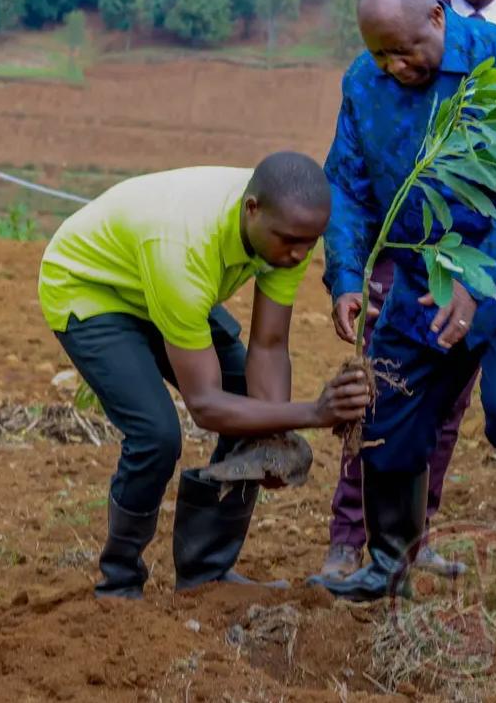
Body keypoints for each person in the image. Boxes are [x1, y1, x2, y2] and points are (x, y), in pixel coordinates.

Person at [309, 0, 496, 611]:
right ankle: (388, 562)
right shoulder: (364, 81)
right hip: (428, 264)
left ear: (437, 18)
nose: (395, 65)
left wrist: (476, 279)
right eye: (381, 52)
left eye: (405, 49)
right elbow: (346, 183)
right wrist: (347, 276)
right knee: (389, 411)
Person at [37, 153, 371, 599]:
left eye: (309, 244)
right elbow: (206, 405)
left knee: (249, 403)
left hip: (157, 283)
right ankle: (118, 582)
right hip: (91, 287)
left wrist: (273, 438)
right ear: (251, 209)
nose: (297, 255)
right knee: (156, 435)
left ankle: (205, 572)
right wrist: (313, 412)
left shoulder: (285, 228)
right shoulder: (185, 250)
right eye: (290, 242)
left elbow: (269, 346)